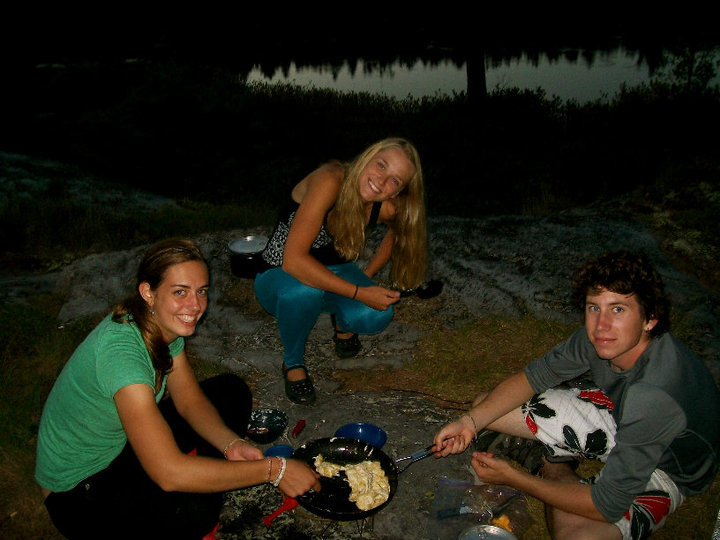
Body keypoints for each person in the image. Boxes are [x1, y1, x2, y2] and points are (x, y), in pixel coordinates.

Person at [35, 238, 320, 540]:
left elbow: (188, 401)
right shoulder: (121, 355)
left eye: (201, 291)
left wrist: (229, 444)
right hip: (78, 492)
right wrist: (274, 470)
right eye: (180, 292)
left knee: (230, 391)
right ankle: (201, 491)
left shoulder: (160, 325)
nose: (195, 306)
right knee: (193, 512)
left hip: (118, 448)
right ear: (148, 292)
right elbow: (169, 474)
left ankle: (209, 476)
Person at [432, 250, 720, 540]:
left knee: (579, 536)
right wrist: (468, 421)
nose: (601, 325)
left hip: (667, 465)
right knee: (487, 407)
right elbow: (533, 377)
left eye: (618, 309)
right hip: (619, 415)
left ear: (650, 318)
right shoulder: (596, 339)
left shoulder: (656, 393)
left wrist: (514, 478)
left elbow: (606, 506)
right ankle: (558, 457)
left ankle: (553, 466)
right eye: (594, 307)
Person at [254, 137, 427, 405]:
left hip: (334, 274)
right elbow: (294, 262)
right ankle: (293, 362)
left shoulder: (384, 206)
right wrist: (359, 291)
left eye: (395, 181)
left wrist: (368, 275)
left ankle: (342, 323)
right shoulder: (330, 180)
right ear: (366, 157)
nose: (382, 181)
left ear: (397, 192)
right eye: (381, 166)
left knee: (376, 314)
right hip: (278, 275)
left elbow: (399, 230)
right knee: (304, 291)